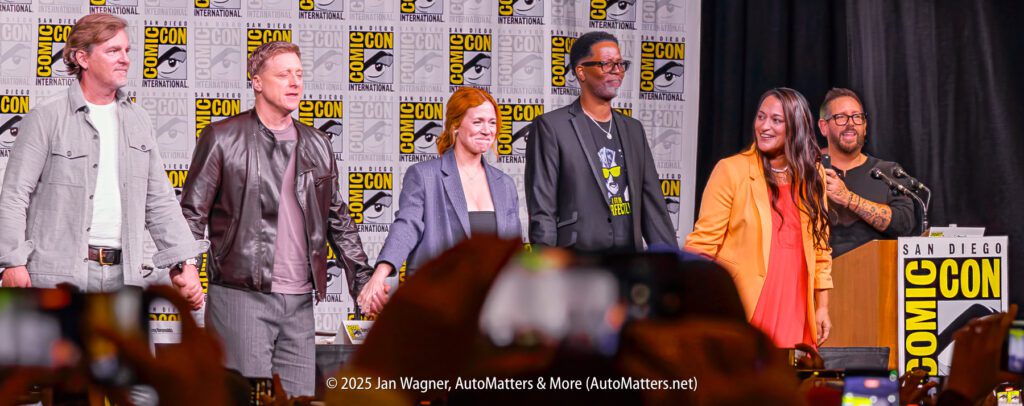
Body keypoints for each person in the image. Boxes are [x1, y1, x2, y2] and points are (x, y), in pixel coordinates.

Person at [178, 41, 372, 397]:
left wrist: (362, 279)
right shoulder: (222, 138)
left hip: (299, 301)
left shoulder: (317, 144)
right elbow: (192, 212)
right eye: (283, 74)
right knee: (244, 399)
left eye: (299, 74)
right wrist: (185, 265)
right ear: (256, 81)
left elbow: (337, 218)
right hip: (240, 296)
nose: (294, 82)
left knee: (298, 400)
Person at [0, 13, 206, 306]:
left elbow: (160, 201)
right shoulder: (46, 116)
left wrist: (185, 262)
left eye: (126, 50)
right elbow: (14, 195)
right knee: (58, 354)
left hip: (124, 278)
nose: (125, 59)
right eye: (113, 51)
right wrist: (13, 261)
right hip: (57, 277)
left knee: (121, 355)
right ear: (82, 58)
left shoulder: (139, 121)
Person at [685, 88, 833, 348]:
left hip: (796, 307)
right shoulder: (731, 170)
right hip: (746, 306)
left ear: (796, 127)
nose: (764, 126)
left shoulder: (814, 176)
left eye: (776, 120)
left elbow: (821, 250)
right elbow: (701, 247)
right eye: (761, 117)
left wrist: (822, 307)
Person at [357, 87, 522, 317]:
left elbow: (514, 251)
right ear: (455, 126)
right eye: (478, 122)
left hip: (492, 310)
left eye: (492, 122)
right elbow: (407, 225)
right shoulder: (424, 176)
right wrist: (380, 273)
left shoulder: (504, 184)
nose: (487, 130)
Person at [525, 30, 675, 253]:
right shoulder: (551, 127)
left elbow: (653, 208)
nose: (616, 71)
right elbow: (543, 210)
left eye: (620, 63)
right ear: (581, 71)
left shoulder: (633, 129)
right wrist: (547, 268)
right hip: (577, 263)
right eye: (606, 64)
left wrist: (671, 266)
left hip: (628, 265)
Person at [818, 88, 918, 257]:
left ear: (865, 127)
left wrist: (849, 198)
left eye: (857, 117)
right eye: (841, 117)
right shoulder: (806, 171)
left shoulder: (887, 172)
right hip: (821, 279)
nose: (851, 123)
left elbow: (905, 225)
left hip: (876, 278)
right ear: (823, 127)